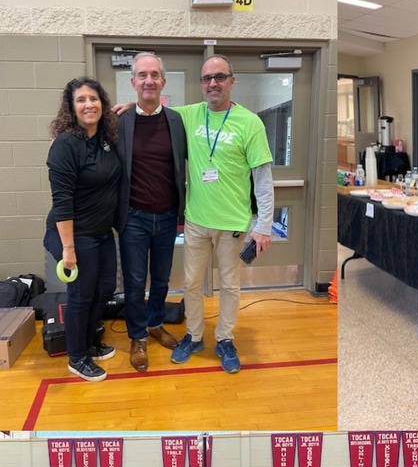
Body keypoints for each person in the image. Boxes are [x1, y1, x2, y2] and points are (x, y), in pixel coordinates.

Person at [169, 54, 275, 373]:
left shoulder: (250, 122)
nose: (212, 84)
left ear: (232, 80)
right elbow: (153, 113)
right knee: (190, 283)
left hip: (232, 224)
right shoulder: (188, 115)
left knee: (230, 285)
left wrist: (264, 226)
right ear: (201, 84)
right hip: (197, 221)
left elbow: (263, 179)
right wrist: (127, 108)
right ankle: (195, 334)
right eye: (206, 78)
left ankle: (225, 338)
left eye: (219, 77)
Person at [45, 77, 122, 382]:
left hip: (102, 233)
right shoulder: (66, 144)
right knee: (81, 296)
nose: (89, 104)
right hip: (74, 236)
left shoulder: (104, 137)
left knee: (103, 291)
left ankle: (89, 343)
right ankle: (77, 357)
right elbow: (62, 202)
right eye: (81, 100)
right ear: (71, 107)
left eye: (94, 98)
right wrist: (68, 249)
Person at [116, 52, 187, 372]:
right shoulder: (119, 121)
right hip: (134, 217)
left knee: (160, 279)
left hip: (168, 215)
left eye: (154, 74)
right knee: (133, 282)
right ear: (133, 82)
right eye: (142, 75)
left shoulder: (176, 120)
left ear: (163, 81)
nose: (148, 80)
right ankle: (136, 336)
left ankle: (155, 324)